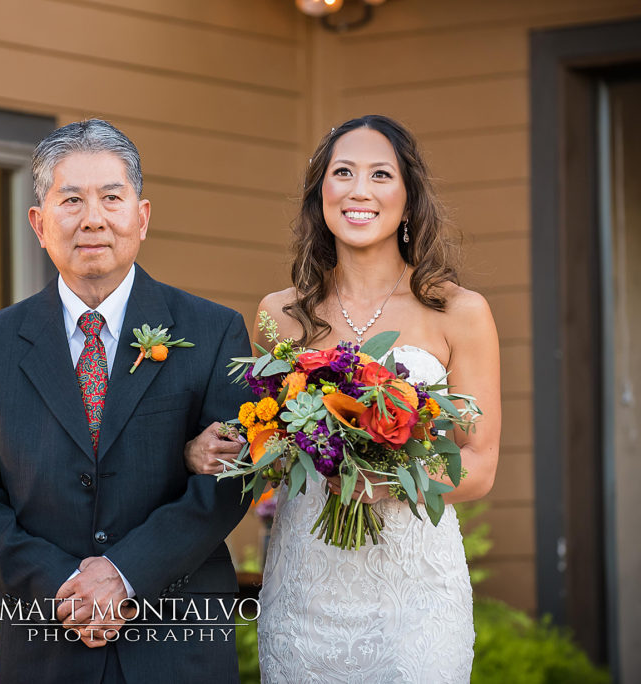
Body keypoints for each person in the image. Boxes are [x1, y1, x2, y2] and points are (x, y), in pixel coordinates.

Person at [186, 114, 501, 682]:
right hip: (306, 585)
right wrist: (219, 452)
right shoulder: (279, 314)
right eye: (343, 173)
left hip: (416, 594)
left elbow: (478, 465)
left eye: (381, 174)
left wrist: (384, 480)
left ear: (408, 199)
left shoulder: (459, 311)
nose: (360, 190)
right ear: (321, 195)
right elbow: (271, 445)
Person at [0, 118, 253, 684]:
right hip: (47, 639)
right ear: (38, 222)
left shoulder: (213, 331)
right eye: (72, 200)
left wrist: (124, 574)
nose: (93, 219)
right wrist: (64, 586)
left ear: (142, 215)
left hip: (178, 638)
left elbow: (229, 478)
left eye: (112, 197)